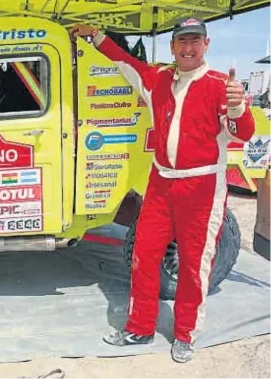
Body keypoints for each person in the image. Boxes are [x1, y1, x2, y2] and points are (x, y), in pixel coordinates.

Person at [71, 18, 255, 363]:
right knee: (143, 257)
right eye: (182, 41)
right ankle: (139, 327)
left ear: (206, 45)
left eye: (195, 42)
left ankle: (185, 334)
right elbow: (126, 63)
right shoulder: (158, 79)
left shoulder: (220, 85)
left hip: (201, 188)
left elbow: (243, 133)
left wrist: (238, 105)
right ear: (172, 46)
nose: (188, 48)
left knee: (193, 265)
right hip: (160, 183)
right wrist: (95, 36)